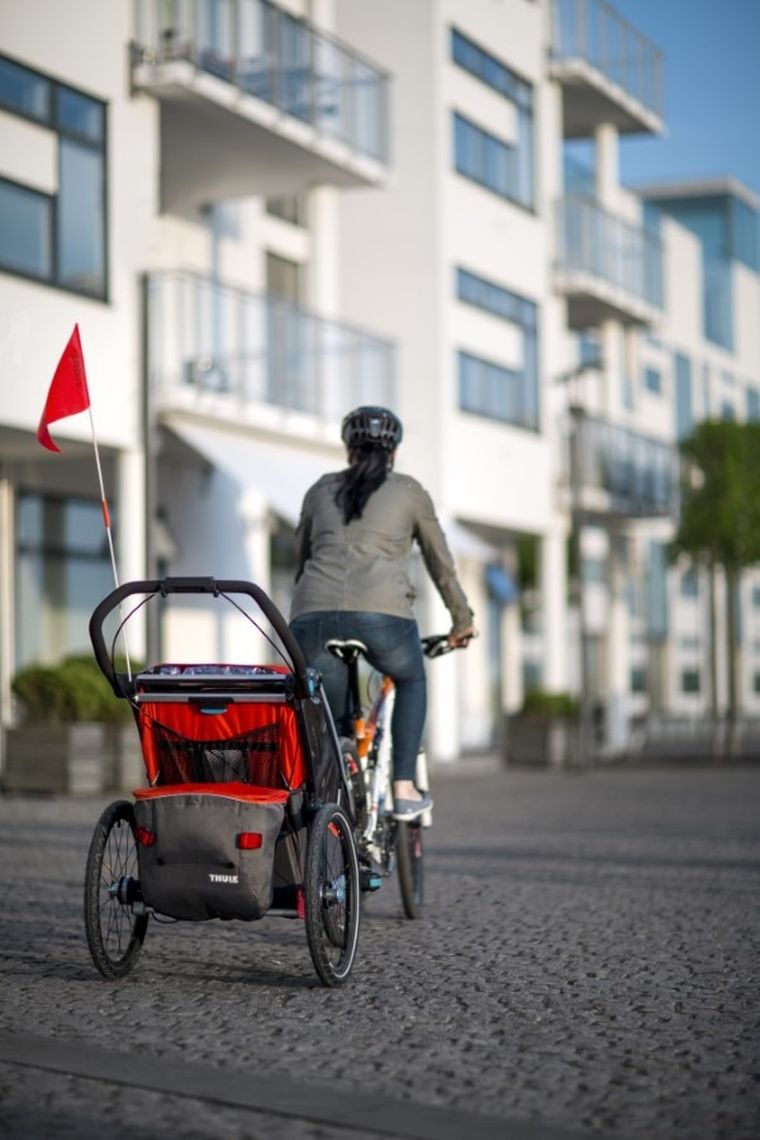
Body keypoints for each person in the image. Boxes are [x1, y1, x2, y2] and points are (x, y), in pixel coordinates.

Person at [289, 405, 475, 821]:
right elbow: (439, 562)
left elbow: (302, 559)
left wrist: (300, 621)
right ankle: (404, 787)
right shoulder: (409, 491)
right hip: (383, 617)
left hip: (312, 618)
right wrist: (461, 621)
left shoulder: (319, 490)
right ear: (393, 451)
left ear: (348, 448)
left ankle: (330, 804)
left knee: (331, 723)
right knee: (410, 679)